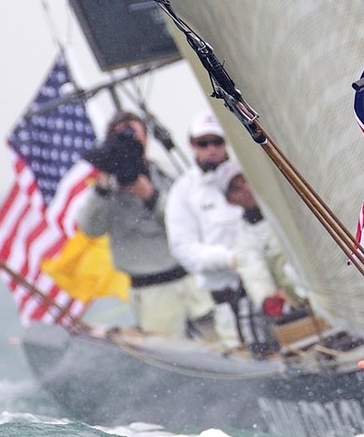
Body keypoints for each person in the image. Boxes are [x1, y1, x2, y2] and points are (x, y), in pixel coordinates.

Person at [77, 111, 217, 340]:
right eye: (121, 134)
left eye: (134, 132)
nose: (129, 140)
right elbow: (91, 228)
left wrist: (151, 196)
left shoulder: (163, 175)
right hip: (151, 290)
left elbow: (188, 223)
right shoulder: (107, 190)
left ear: (146, 138)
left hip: (188, 278)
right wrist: (103, 186)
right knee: (173, 352)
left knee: (221, 342)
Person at [165, 110, 246, 347]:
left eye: (217, 141)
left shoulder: (249, 174)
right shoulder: (182, 192)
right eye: (203, 143)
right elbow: (182, 248)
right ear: (192, 144)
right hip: (229, 304)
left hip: (277, 294)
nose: (211, 148)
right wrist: (231, 259)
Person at [214, 159, 308, 314]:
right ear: (229, 201)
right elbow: (255, 276)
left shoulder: (294, 202)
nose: (246, 188)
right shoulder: (245, 241)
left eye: (246, 179)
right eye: (236, 188)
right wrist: (268, 301)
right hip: (305, 304)